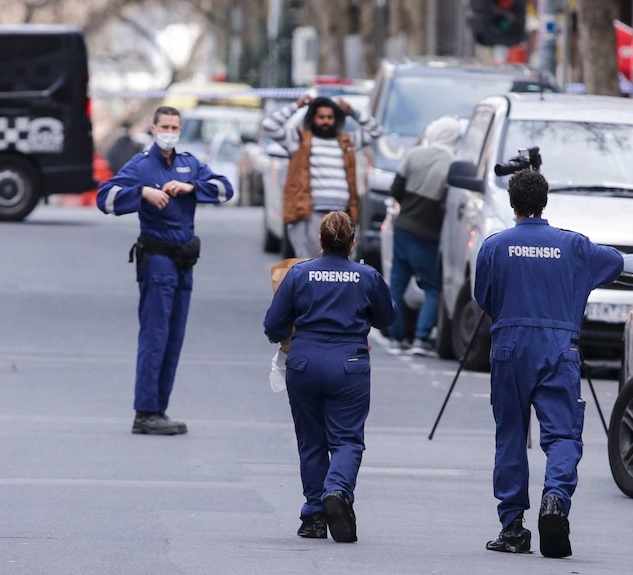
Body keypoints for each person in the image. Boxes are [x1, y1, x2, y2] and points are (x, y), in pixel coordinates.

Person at [473, 169, 623, 559]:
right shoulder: (573, 246)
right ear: (545, 201)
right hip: (559, 348)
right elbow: (616, 262)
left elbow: (483, 297)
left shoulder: (494, 246)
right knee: (562, 435)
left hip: (509, 345)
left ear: (512, 203)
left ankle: (512, 527)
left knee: (510, 434)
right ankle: (555, 500)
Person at [96, 106, 233, 435]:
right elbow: (106, 198)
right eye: (165, 126)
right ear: (154, 130)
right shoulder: (142, 166)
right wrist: (141, 193)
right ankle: (145, 411)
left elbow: (226, 189)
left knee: (174, 338)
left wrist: (192, 188)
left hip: (184, 262)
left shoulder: (189, 164)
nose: (170, 131)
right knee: (155, 336)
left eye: (175, 126)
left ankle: (159, 409)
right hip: (158, 261)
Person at [263, 211, 396, 543]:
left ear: (320, 241)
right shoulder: (367, 276)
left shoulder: (299, 274)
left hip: (305, 362)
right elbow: (386, 317)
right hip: (349, 364)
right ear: (352, 243)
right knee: (347, 440)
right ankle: (336, 490)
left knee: (311, 440)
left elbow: (273, 324)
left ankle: (313, 516)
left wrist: (285, 336)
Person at [261, 94, 382, 258]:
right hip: (310, 214)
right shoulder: (298, 141)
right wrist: (296, 106)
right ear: (312, 119)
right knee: (312, 263)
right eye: (321, 117)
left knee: (341, 265)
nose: (326, 121)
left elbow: (375, 130)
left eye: (330, 117)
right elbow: (269, 125)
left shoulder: (347, 143)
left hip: (342, 215)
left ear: (337, 119)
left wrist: (352, 112)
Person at [387, 116, 461, 357]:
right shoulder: (452, 163)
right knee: (431, 287)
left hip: (403, 227)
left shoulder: (414, 154)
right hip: (428, 234)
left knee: (397, 283)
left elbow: (396, 189)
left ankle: (396, 336)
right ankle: (421, 337)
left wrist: (407, 208)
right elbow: (448, 205)